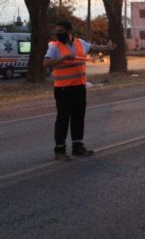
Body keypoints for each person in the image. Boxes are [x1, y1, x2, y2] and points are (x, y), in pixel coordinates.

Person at [43, 20, 115, 161]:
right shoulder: (54, 47)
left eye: (61, 31)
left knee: (78, 117)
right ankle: (60, 150)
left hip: (79, 87)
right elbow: (45, 63)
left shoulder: (79, 43)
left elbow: (92, 47)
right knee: (63, 119)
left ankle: (78, 146)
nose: (58, 34)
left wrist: (107, 47)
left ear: (69, 32)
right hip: (63, 89)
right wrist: (62, 58)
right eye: (57, 32)